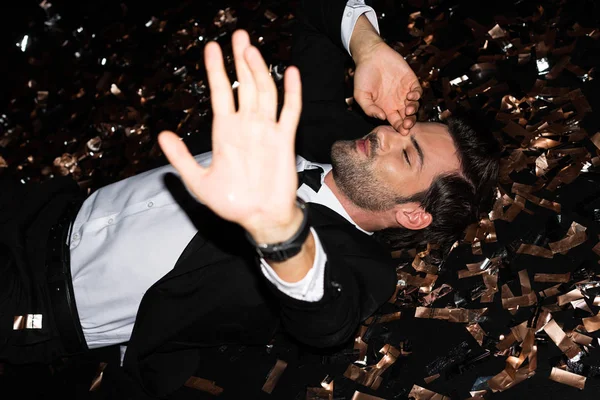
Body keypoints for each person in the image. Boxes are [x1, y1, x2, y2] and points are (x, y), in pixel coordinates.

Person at [0, 0, 500, 397]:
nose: (385, 135)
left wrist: (281, 235)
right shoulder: (320, 131)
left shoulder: (357, 263)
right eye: (400, 128)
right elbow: (315, 15)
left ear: (412, 212)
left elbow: (327, 319)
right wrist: (370, 48)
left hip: (31, 311)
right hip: (38, 211)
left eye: (407, 155)